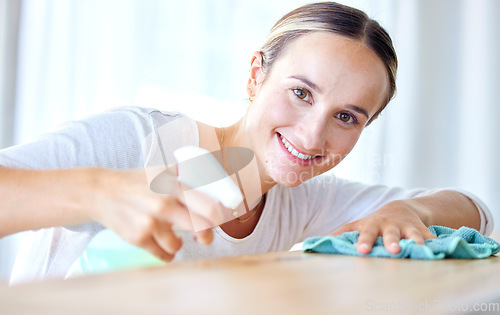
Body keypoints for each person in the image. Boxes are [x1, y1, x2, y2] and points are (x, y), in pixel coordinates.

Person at [0, 2, 493, 284]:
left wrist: (417, 214)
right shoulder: (141, 141)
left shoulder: (305, 201)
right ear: (257, 75)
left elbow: (476, 210)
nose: (312, 134)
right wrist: (99, 191)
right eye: (300, 92)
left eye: (346, 117)